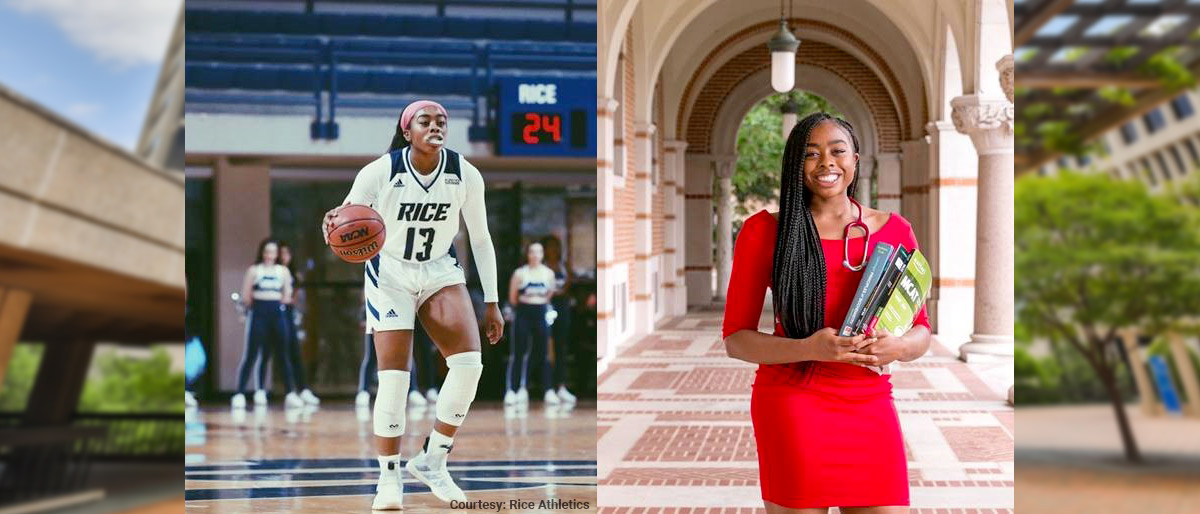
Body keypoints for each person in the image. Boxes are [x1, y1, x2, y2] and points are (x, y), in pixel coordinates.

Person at [721, 113, 932, 513]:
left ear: (855, 159)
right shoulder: (764, 232)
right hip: (793, 402)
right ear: (795, 165)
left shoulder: (895, 230)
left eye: (837, 152)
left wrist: (899, 347)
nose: (826, 163)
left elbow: (921, 329)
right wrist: (810, 348)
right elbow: (736, 339)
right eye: (811, 154)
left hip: (869, 400)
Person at [323, 100, 503, 510]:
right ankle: (388, 479)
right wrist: (332, 222)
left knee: (469, 365)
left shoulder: (464, 174)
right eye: (426, 121)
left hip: (440, 268)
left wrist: (491, 302)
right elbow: (346, 218)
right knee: (394, 378)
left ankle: (434, 459)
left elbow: (480, 239)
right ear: (408, 132)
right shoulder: (381, 170)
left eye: (442, 121)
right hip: (389, 274)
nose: (436, 126)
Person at [232, 238, 304, 409]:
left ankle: (290, 393)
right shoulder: (254, 270)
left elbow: (288, 294)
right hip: (258, 312)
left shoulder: (282, 271)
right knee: (251, 353)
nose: (270, 255)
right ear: (262, 252)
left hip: (277, 313)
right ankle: (240, 393)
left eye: (273, 252)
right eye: (267, 251)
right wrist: (247, 309)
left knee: (283, 354)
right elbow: (246, 295)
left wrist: (281, 302)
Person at [504, 242, 557, 405]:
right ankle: (512, 390)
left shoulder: (548, 274)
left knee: (543, 353)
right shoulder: (520, 273)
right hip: (523, 313)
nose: (535, 255)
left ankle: (548, 390)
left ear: (543, 254)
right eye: (532, 252)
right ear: (527, 254)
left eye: (538, 252)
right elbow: (513, 297)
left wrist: (540, 303)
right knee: (518, 352)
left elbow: (550, 293)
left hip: (540, 312)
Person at [272, 242, 319, 406]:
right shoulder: (274, 272)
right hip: (275, 313)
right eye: (281, 253)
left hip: (291, 314)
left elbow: (296, 298)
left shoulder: (294, 275)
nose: (284, 257)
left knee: (296, 353)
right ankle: (289, 391)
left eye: (287, 253)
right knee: (280, 354)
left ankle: (303, 390)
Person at [542, 236, 577, 404]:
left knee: (561, 346)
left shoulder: (564, 266)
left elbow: (568, 285)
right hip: (546, 306)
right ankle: (548, 387)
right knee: (548, 349)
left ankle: (561, 386)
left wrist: (560, 292)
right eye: (550, 246)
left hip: (562, 306)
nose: (553, 250)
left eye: (556, 246)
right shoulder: (542, 267)